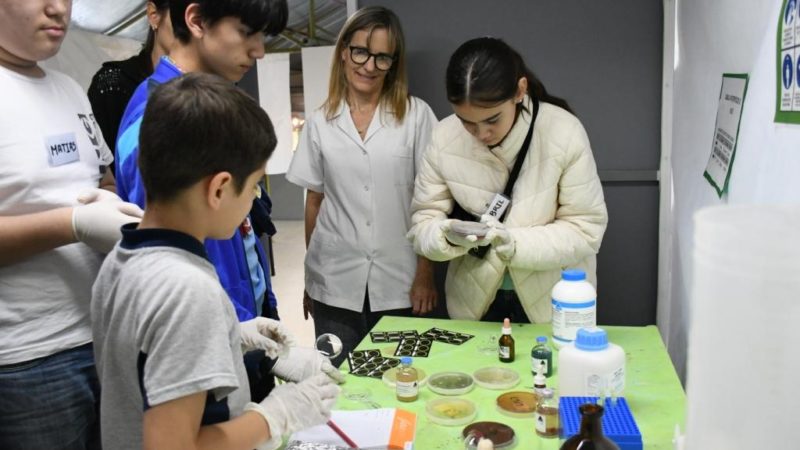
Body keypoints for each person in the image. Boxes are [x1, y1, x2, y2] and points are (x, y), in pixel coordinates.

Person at [92, 72, 340, 450]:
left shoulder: (122, 259)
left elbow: (143, 360)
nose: (253, 200)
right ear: (220, 188)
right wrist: (274, 416)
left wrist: (231, 338)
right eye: (254, 185)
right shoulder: (188, 291)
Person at [113, 0, 327, 402]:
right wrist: (233, 333)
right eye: (247, 32)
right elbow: (166, 270)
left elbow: (239, 245)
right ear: (195, 20)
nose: (259, 51)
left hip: (236, 335)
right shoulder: (159, 123)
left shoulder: (209, 106)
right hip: (202, 358)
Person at [0, 1, 144, 448]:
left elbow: (97, 171)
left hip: (103, 335)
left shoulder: (68, 88)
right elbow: (73, 215)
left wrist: (112, 200)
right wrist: (73, 223)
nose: (57, 9)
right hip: (28, 359)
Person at [407, 37, 608, 324]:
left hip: (553, 302)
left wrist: (515, 244)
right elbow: (422, 223)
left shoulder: (564, 131)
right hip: (474, 303)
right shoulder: (443, 137)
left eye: (492, 120)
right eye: (466, 121)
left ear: (519, 91)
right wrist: (445, 234)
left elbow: (586, 229)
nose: (481, 133)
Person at [286, 6, 438, 366]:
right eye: (360, 52)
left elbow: (432, 202)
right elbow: (314, 202)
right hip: (333, 283)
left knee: (403, 385)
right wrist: (311, 280)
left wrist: (426, 274)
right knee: (339, 388)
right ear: (343, 52)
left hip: (402, 284)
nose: (369, 66)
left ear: (393, 63)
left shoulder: (417, 117)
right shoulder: (321, 122)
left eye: (382, 57)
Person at [87, 0, 172, 159]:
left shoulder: (214, 88)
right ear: (153, 15)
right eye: (181, 15)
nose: (192, 27)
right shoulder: (114, 82)